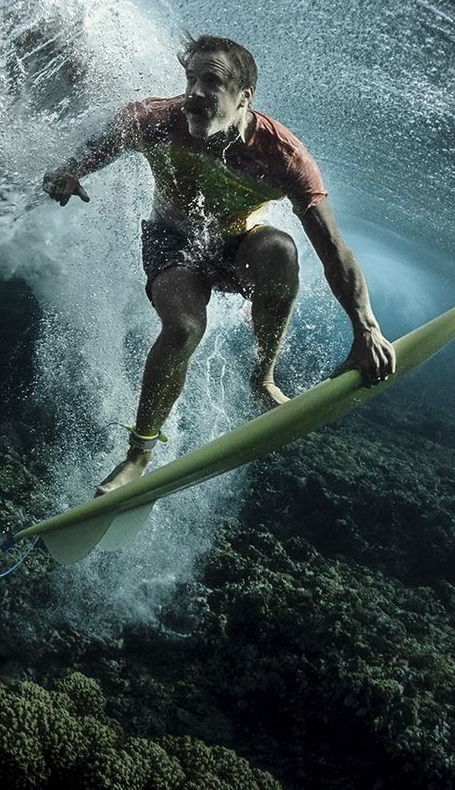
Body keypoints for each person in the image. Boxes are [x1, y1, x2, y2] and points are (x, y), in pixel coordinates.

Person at [43, 35, 398, 495]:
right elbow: (102, 141)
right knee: (184, 327)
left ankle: (262, 378)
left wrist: (366, 327)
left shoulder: (283, 157)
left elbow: (334, 250)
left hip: (238, 249)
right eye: (190, 78)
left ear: (244, 98)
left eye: (210, 81)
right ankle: (137, 457)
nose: (193, 92)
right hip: (171, 241)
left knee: (280, 251)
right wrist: (70, 171)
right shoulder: (156, 120)